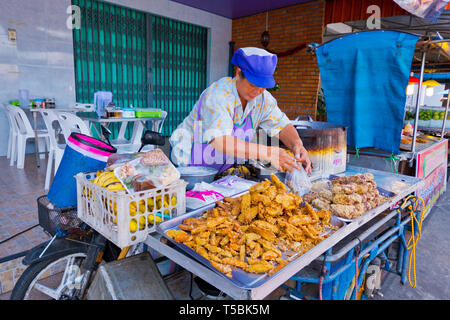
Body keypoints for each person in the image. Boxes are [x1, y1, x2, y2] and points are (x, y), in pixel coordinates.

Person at [169, 47, 312, 174]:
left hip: (219, 166)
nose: (258, 91)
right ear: (238, 73)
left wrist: (297, 145)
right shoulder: (218, 95)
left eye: (263, 86)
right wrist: (269, 152)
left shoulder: (262, 99)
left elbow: (281, 125)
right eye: (253, 84)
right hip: (189, 165)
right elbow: (219, 141)